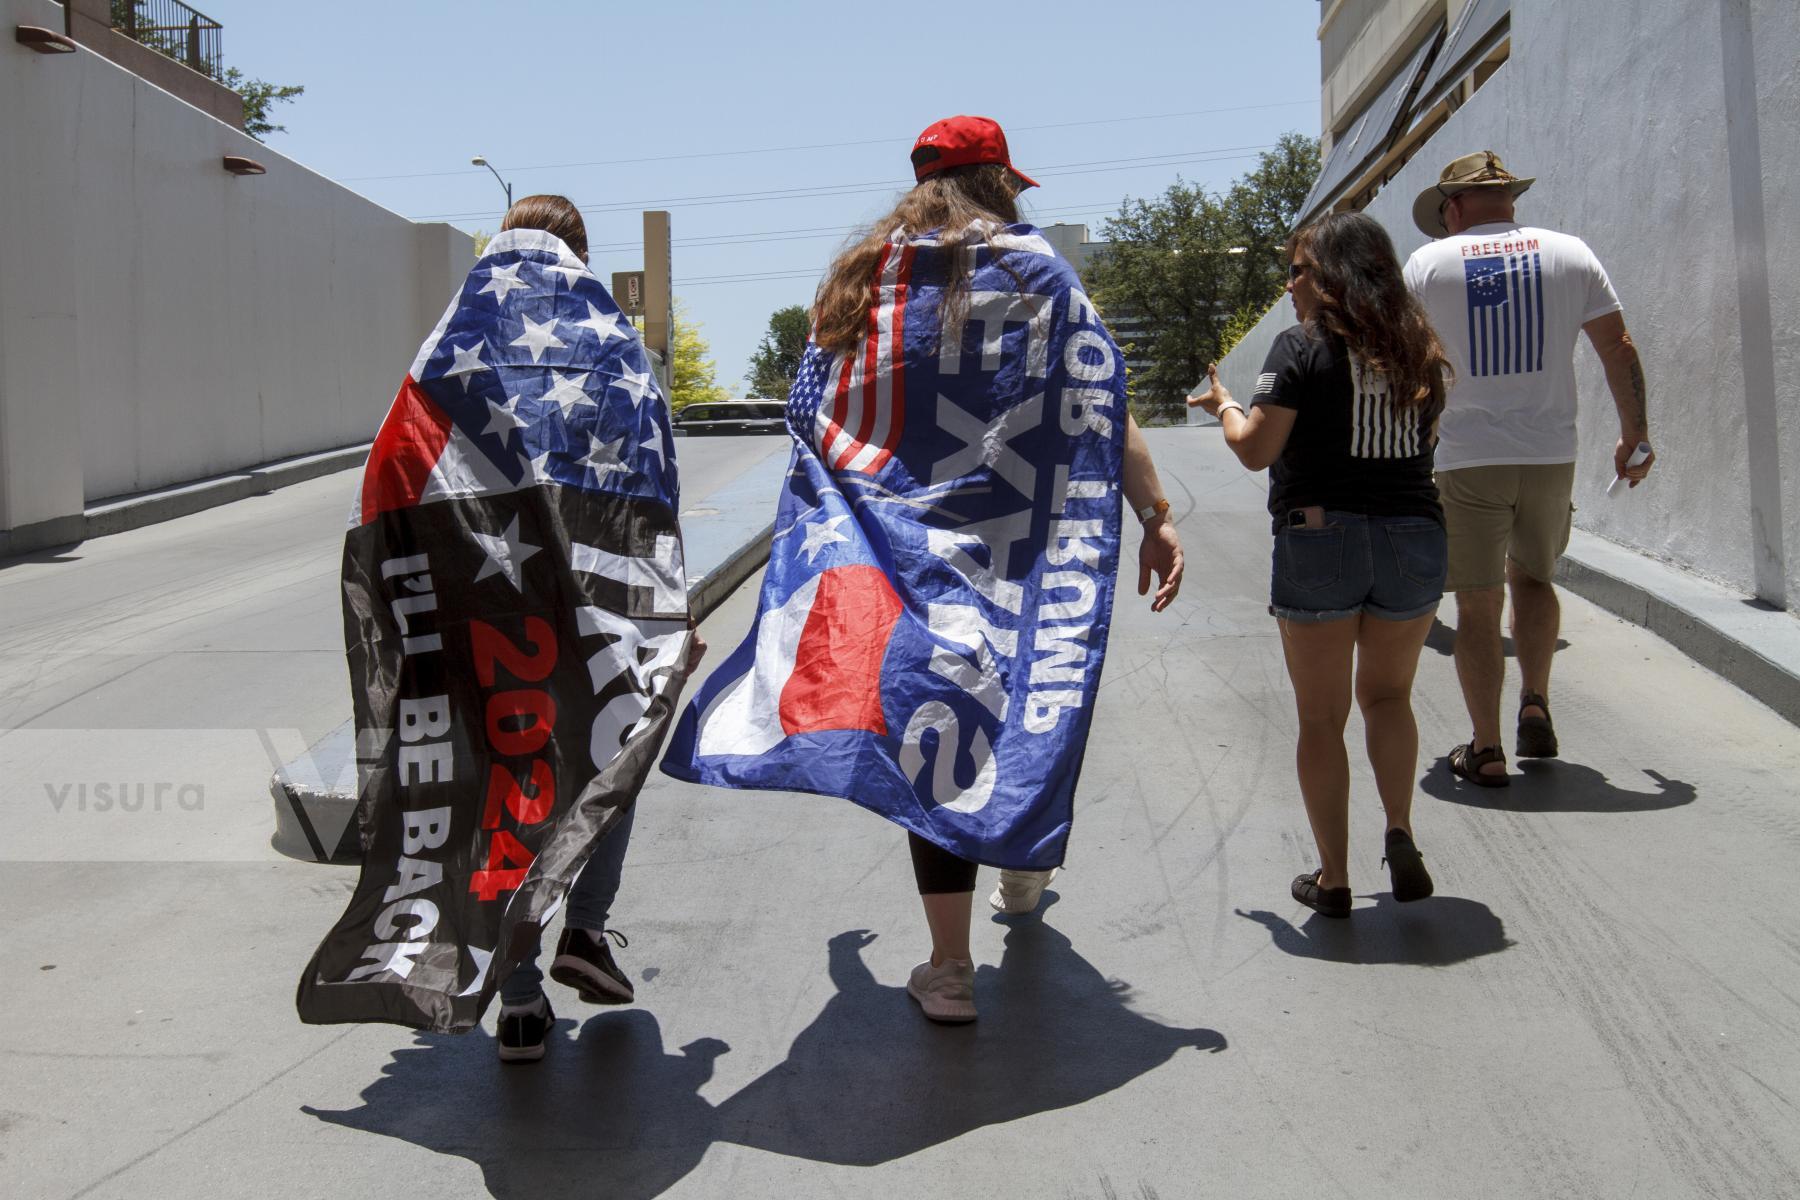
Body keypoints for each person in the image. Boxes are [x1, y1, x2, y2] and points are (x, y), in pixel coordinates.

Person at [660, 116, 1183, 1022]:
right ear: (997, 183)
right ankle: (1021, 864)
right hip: (1016, 541)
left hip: (904, 546)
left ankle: (949, 968)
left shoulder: (862, 279)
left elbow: (814, 413)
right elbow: (1103, 400)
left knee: (930, 725)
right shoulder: (1041, 274)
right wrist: (1155, 514)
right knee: (1023, 695)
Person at [1189, 212, 1446, 918]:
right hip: (1413, 536)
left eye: (1300, 269)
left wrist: (1225, 403)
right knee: (1389, 699)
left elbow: (1255, 448)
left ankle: (1333, 879)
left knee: (1320, 718)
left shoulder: (1300, 347)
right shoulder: (1420, 349)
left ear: (1332, 277)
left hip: (1319, 536)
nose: (1291, 282)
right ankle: (1399, 830)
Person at [1402, 152, 1653, 786]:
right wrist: (1635, 435)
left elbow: (1406, 365)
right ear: (1509, 198)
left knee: (1478, 604)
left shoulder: (1427, 265)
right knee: (1535, 579)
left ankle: (1486, 749)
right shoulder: (1570, 253)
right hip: (1549, 452)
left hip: (1466, 457)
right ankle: (1535, 699)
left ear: (1453, 207)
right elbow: (1616, 347)